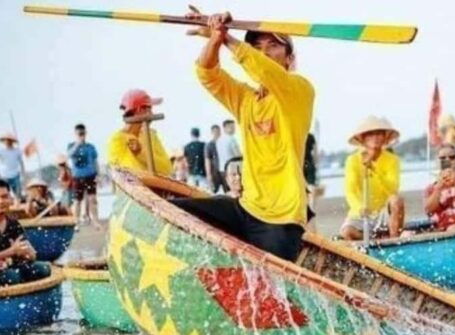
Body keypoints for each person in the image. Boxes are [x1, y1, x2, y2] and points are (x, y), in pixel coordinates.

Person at [173, 9, 314, 261]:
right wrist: (215, 39)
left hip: (281, 218)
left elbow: (266, 72)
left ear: (289, 59)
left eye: (273, 45)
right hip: (245, 207)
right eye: (257, 46)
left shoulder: (299, 91)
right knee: (172, 212)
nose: (264, 52)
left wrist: (226, 37)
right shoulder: (245, 99)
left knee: (274, 289)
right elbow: (207, 74)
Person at [340, 116, 404, 240]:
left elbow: (392, 189)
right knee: (347, 232)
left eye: (379, 133)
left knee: (396, 200)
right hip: (362, 212)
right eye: (370, 134)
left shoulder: (392, 160)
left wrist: (374, 169)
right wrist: (360, 208)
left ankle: (394, 240)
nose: (375, 137)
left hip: (383, 212)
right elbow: (350, 190)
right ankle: (376, 241)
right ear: (363, 138)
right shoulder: (352, 161)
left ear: (385, 137)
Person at [0, 179, 51, 288]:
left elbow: (30, 253)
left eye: (4, 197)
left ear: (10, 198)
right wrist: (12, 251)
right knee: (13, 277)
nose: (0, 201)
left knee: (43, 269)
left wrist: (29, 254)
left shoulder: (13, 224)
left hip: (13, 266)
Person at [107, 89, 173, 177]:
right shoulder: (117, 140)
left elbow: (167, 169)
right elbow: (129, 174)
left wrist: (141, 153)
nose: (152, 113)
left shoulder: (151, 135)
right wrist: (138, 154)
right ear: (140, 111)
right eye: (149, 109)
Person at [67, 123, 100, 227]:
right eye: (79, 133)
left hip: (90, 175)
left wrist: (98, 174)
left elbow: (95, 161)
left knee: (92, 199)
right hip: (77, 177)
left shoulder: (90, 147)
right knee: (77, 200)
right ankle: (76, 221)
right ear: (75, 134)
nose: (81, 135)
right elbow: (69, 155)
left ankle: (95, 220)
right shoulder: (71, 146)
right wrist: (78, 143)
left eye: (83, 133)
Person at [0, 133, 26, 200]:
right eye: (6, 140)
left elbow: (21, 162)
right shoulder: (1, 151)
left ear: (12, 141)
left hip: (15, 175)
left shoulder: (17, 151)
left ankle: (18, 204)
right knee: (4, 192)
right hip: (4, 175)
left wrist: (24, 173)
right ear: (4, 141)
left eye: (9, 140)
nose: (7, 142)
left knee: (18, 193)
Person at [204, 124, 223, 192]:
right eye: (215, 131)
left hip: (224, 172)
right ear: (212, 133)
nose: (217, 133)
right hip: (214, 172)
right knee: (214, 191)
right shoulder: (209, 145)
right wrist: (208, 175)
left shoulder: (224, 143)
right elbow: (207, 160)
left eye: (218, 131)